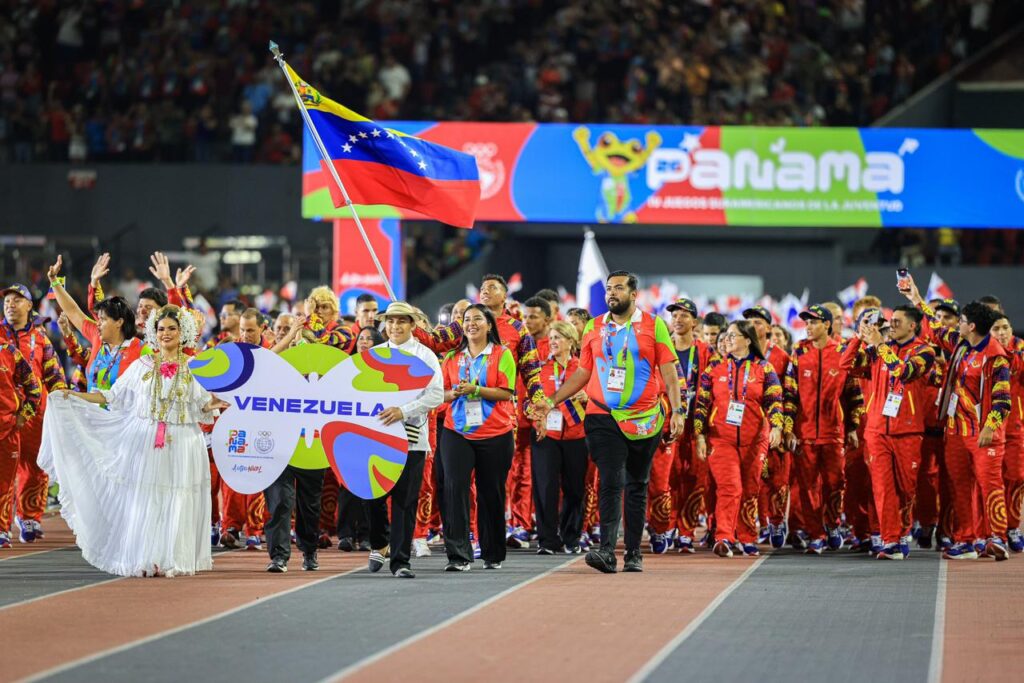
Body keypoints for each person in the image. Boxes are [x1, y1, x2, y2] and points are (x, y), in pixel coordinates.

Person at [40, 304, 224, 576]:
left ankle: (174, 558)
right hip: (146, 439)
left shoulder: (196, 367)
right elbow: (110, 396)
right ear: (153, 332)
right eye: (161, 329)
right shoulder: (142, 365)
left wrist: (218, 403)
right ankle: (146, 557)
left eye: (172, 329)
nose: (166, 334)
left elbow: (204, 406)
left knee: (179, 499)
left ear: (182, 332)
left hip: (184, 441)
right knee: (146, 499)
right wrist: (73, 396)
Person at [543, 271, 684, 574]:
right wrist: (552, 400)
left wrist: (677, 411)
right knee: (611, 479)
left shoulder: (654, 325)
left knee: (637, 484)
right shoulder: (594, 327)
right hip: (602, 414)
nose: (612, 293)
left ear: (634, 294)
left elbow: (669, 373)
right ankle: (607, 550)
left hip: (645, 418)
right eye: (609, 288)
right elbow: (582, 373)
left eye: (619, 288)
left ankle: (633, 552)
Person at [900, 275, 1012, 560]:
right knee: (960, 487)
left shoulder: (994, 356)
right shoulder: (961, 346)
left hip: (983, 433)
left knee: (989, 485)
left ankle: (996, 537)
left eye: (960, 320)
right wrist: (915, 299)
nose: (955, 324)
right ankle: (967, 539)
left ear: (971, 326)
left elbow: (1002, 399)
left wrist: (990, 427)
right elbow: (937, 330)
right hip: (956, 432)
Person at [842, 302, 936, 560]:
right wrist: (858, 337)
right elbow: (845, 365)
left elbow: (904, 372)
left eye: (896, 321)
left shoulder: (924, 352)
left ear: (912, 325)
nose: (890, 325)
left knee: (906, 488)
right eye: (890, 320)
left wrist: (880, 346)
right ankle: (890, 540)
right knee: (882, 488)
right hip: (876, 430)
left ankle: (902, 531)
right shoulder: (877, 351)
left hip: (908, 431)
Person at [363, 302, 444, 578]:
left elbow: (436, 394)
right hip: (375, 437)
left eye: (401, 321)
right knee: (372, 495)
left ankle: (400, 562)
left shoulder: (426, 355)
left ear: (412, 324)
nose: (395, 326)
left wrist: (403, 411)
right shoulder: (373, 355)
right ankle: (380, 542)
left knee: (405, 501)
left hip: (412, 438)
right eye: (391, 321)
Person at [694, 320, 784, 558]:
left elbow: (775, 401)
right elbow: (701, 406)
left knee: (750, 489)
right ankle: (723, 536)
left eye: (733, 335)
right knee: (730, 487)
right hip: (720, 439)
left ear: (747, 339)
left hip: (754, 439)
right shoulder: (713, 369)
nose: (728, 339)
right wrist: (700, 436)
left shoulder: (764, 369)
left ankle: (747, 536)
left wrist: (776, 427)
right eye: (727, 336)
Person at [440, 304, 517, 571]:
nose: (471, 323)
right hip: (456, 431)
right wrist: (455, 394)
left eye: (476, 319)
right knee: (455, 488)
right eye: (466, 319)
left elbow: (508, 392)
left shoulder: (502, 354)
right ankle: (458, 555)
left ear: (489, 324)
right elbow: (441, 393)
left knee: (490, 492)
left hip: (495, 433)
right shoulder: (451, 357)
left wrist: (476, 389)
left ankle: (492, 553)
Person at [783, 305, 863, 554]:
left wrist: (852, 427)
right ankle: (816, 534)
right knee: (807, 487)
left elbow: (854, 394)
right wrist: (788, 429)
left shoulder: (841, 352)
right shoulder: (799, 351)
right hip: (804, 434)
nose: (808, 326)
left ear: (827, 325)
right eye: (807, 322)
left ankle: (832, 524)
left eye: (814, 322)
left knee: (835, 483)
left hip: (834, 433)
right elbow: (788, 394)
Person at [1, 282, 67, 542]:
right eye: (7, 301)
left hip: (35, 412)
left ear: (29, 306)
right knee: (3, 471)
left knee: (36, 465)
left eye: (17, 300)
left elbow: (54, 375)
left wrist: (63, 400)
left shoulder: (40, 339)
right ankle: (2, 526)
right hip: (4, 410)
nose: (10, 304)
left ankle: (29, 516)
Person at [651, 298, 715, 554]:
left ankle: (686, 531)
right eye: (674, 315)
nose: (678, 319)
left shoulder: (706, 352)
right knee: (663, 479)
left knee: (694, 477)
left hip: (695, 425)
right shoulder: (661, 350)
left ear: (695, 322)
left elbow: (712, 389)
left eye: (684, 315)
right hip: (665, 424)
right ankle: (664, 526)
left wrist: (704, 429)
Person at [531, 321, 588, 554]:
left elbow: (600, 398)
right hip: (546, 435)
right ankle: (547, 540)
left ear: (571, 341)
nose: (553, 342)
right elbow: (530, 400)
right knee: (545, 488)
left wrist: (588, 398)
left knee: (575, 488)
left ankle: (571, 537)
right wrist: (537, 419)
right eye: (551, 338)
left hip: (577, 434)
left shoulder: (584, 369)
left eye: (558, 337)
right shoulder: (541, 369)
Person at [742, 305, 792, 549]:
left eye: (758, 321)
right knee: (752, 480)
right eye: (748, 320)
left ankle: (776, 520)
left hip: (774, 428)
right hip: (748, 429)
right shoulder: (740, 354)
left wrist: (783, 428)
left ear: (769, 328)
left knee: (778, 479)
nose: (752, 324)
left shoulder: (782, 357)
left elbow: (790, 395)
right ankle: (755, 522)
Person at [507, 296, 553, 547]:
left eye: (533, 316)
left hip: (551, 419)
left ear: (548, 318)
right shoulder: (518, 345)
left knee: (543, 475)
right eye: (525, 317)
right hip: (518, 417)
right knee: (518, 473)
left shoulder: (554, 344)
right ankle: (520, 523)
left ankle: (541, 523)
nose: (527, 321)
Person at [0, 341, 42, 548]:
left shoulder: (8, 352)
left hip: (6, 431)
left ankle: (1, 530)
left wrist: (23, 416)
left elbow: (33, 387)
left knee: (4, 484)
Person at [991, 315, 1024, 551]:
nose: (1002, 332)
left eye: (1005, 327)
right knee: (991, 482)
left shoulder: (1020, 348)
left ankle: (1012, 527)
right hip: (988, 430)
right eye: (996, 329)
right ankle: (993, 532)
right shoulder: (980, 352)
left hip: (1014, 428)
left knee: (1016, 478)